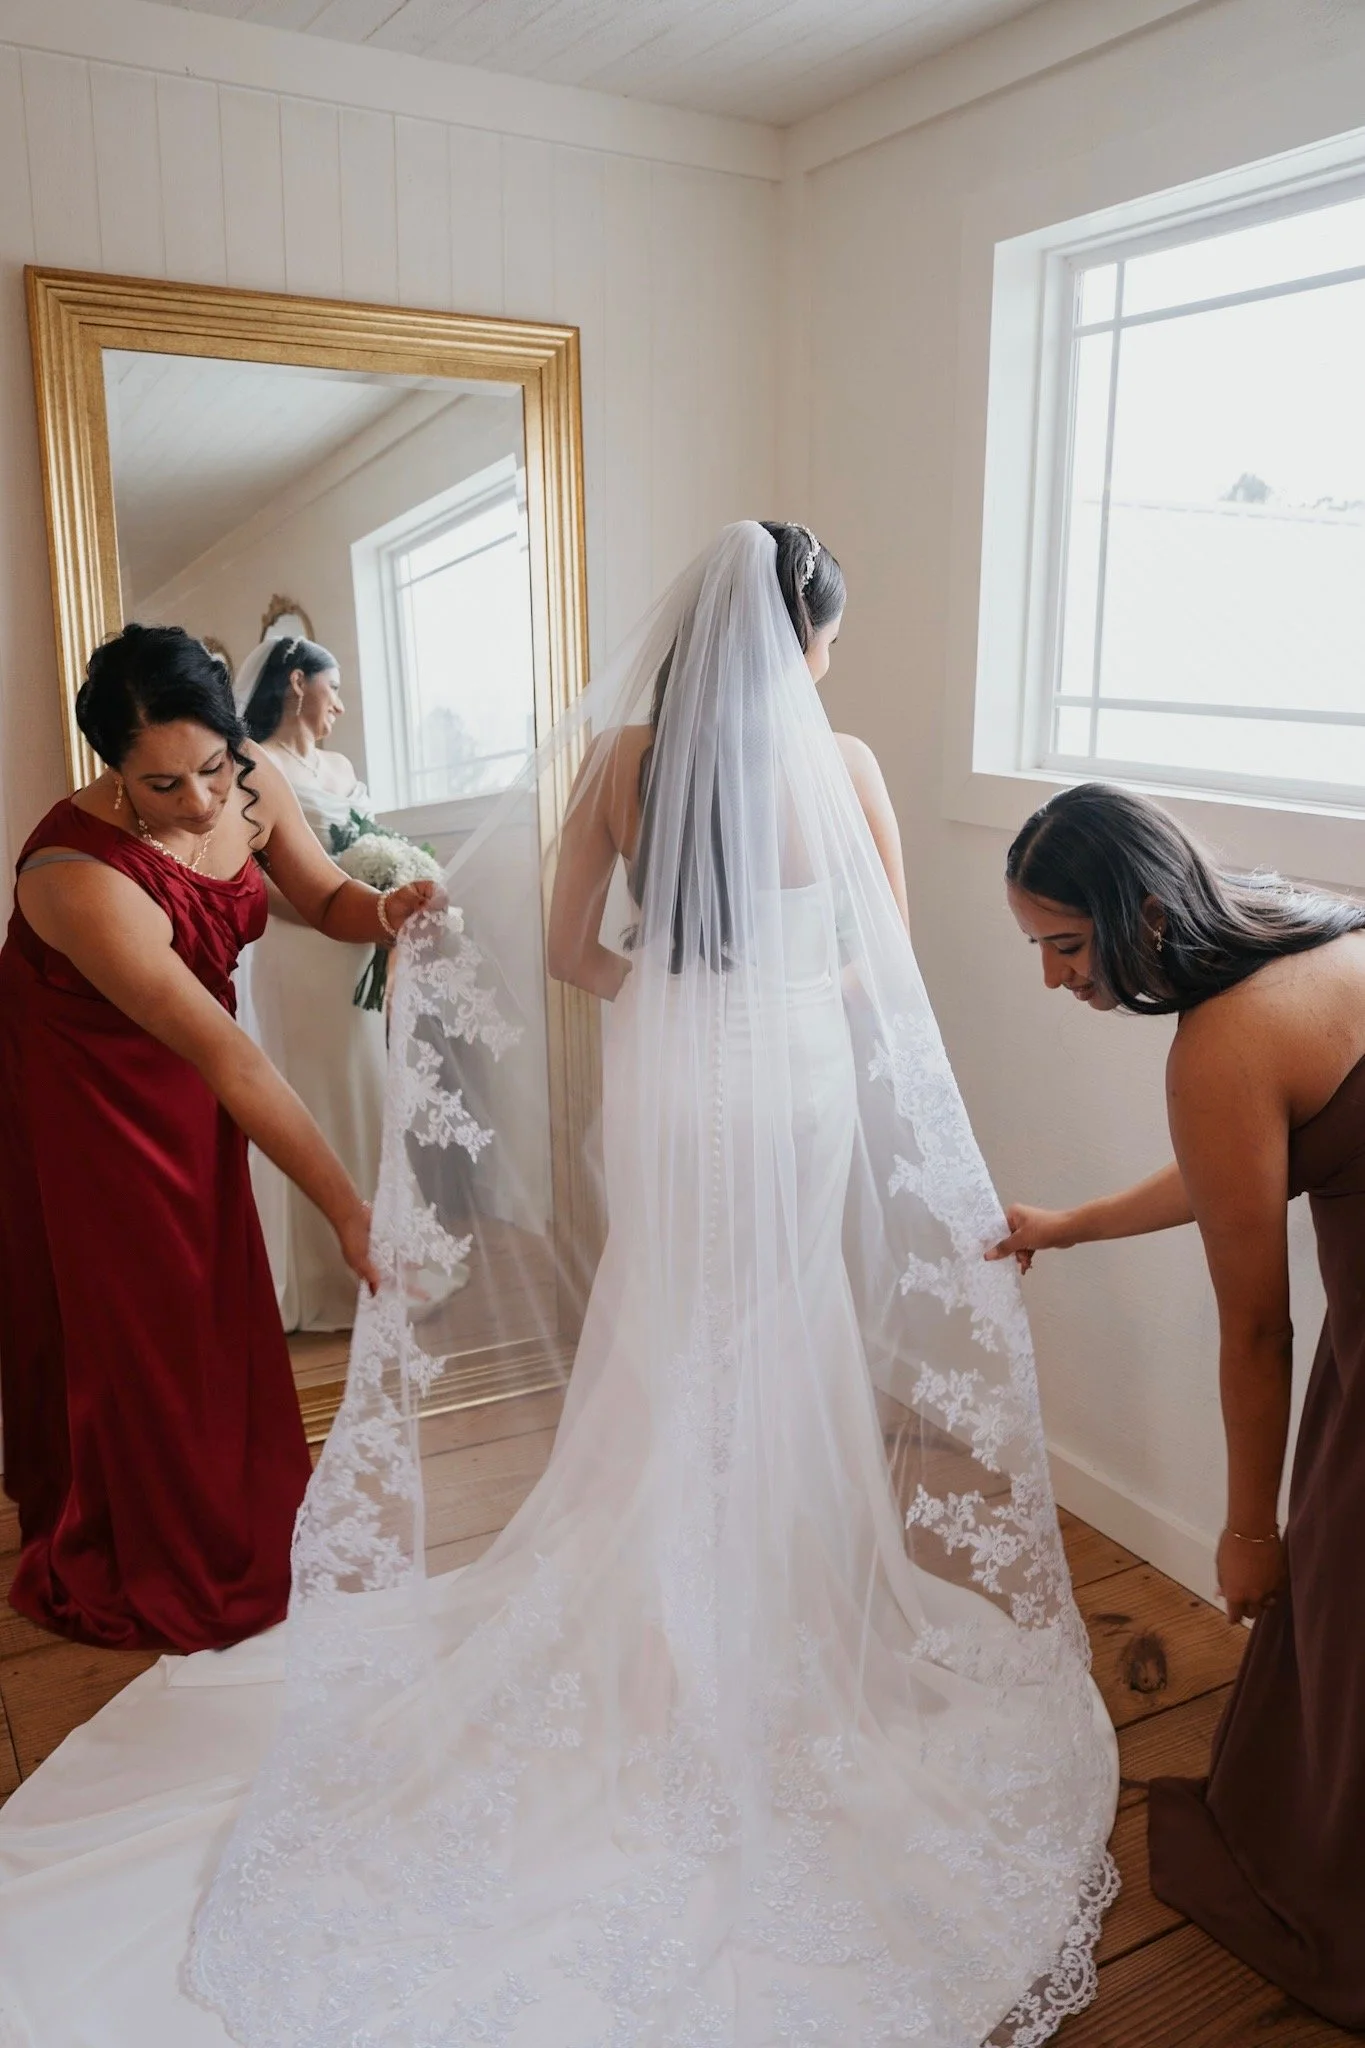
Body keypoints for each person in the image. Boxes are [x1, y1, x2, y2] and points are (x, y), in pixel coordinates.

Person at [0, 530, 1117, 2048]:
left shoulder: (623, 758)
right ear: (802, 642)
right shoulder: (845, 763)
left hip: (670, 1082)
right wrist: (784, 993)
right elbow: (884, 968)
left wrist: (671, 991)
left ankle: (649, 1623)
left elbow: (576, 956)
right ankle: (757, 1596)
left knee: (664, 1336)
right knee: (777, 1332)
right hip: (784, 1080)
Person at [994, 780, 1365, 2028]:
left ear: (1140, 912)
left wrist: (1250, 1526)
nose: (1051, 978)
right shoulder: (1321, 928)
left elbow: (1259, 1327)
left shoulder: (1220, 1038)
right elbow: (1249, 1156)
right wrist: (1077, 1223)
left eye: (1063, 943)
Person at [0, 624, 438, 1654]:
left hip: (192, 1076)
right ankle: (156, 1544)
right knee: (146, 1314)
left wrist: (386, 907)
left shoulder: (249, 782)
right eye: (161, 786)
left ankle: (236, 1519)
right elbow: (232, 1057)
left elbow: (323, 896)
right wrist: (347, 1207)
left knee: (215, 1297)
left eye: (210, 767)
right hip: (91, 1098)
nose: (200, 803)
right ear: (113, 770)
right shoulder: (77, 875)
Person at [234, 633, 388, 1331]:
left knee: (364, 1086)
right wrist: (337, 919)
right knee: (309, 1091)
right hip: (298, 949)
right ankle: (315, 1276)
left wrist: (382, 901)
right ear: (297, 682)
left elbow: (364, 857)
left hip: (356, 952)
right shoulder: (250, 762)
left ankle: (377, 1259)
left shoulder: (340, 763)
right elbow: (252, 877)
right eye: (335, 687)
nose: (342, 705)